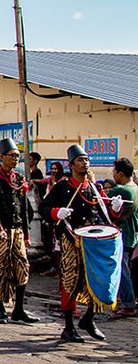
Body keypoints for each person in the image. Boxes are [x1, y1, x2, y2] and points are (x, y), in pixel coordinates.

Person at [40, 144, 116, 342]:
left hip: (91, 243)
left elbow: (105, 213)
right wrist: (57, 212)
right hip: (70, 241)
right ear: (72, 164)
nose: (85, 163)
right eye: (81, 160)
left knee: (95, 279)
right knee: (70, 281)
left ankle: (89, 318)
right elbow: (44, 208)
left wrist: (115, 206)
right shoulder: (62, 187)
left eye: (87, 159)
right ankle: (68, 326)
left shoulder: (93, 188)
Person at [0, 138, 39, 324]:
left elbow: (24, 207)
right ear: (2, 157)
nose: (15, 159)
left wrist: (26, 233)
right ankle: (0, 308)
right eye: (12, 156)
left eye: (17, 156)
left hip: (17, 229)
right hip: (0, 230)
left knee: (22, 266)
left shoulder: (19, 179)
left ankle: (19, 308)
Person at [107, 158, 138, 318]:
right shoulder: (135, 188)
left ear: (120, 173)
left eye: (114, 172)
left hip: (124, 235)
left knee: (122, 271)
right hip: (132, 235)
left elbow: (103, 197)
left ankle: (128, 303)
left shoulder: (123, 190)